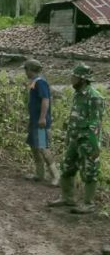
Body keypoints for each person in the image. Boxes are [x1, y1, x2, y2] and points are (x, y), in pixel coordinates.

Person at [49, 64, 105, 215]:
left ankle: (89, 204)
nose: (72, 79)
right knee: (67, 167)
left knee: (89, 171)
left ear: (83, 79)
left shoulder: (95, 98)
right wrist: (68, 137)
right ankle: (67, 198)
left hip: (87, 141)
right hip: (74, 139)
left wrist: (93, 146)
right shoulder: (77, 95)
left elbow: (95, 123)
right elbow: (73, 119)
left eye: (74, 77)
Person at [23, 59, 58, 186]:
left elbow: (45, 100)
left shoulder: (41, 82)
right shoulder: (35, 82)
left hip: (40, 122)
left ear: (31, 69)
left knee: (43, 147)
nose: (25, 72)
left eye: (26, 69)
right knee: (34, 146)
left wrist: (43, 118)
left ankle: (56, 176)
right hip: (34, 121)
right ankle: (39, 173)